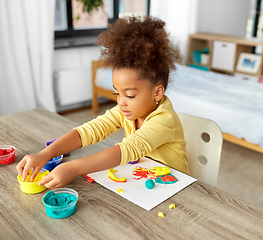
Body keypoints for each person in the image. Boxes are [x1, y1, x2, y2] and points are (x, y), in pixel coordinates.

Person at [16, 15, 189, 189]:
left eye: (129, 95)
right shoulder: (127, 110)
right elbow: (89, 131)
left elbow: (126, 150)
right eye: (117, 93)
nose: (121, 102)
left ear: (157, 92)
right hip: (145, 180)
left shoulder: (164, 119)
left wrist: (73, 167)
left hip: (176, 188)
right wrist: (45, 154)